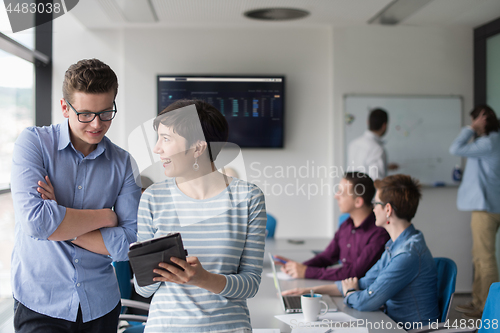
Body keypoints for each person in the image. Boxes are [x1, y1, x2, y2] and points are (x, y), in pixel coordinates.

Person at [10, 59, 141, 332]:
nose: (96, 124)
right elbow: (36, 223)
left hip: (100, 304)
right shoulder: (33, 143)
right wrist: (105, 216)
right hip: (40, 304)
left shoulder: (123, 163)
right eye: (85, 114)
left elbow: (129, 242)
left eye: (106, 113)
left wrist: (60, 218)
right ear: (64, 108)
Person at [134, 99, 267, 332]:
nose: (157, 148)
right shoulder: (153, 197)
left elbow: (251, 284)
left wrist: (203, 279)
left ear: (198, 148)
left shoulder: (248, 197)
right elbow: (141, 288)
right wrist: (152, 269)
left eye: (166, 139)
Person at [283, 175, 439, 328]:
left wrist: (350, 292)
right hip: (390, 322)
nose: (373, 208)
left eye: (375, 203)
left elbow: (366, 301)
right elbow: (364, 282)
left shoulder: (406, 254)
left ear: (388, 209)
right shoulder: (395, 244)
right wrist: (310, 291)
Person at [274, 172, 389, 280]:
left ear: (358, 202)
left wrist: (306, 271)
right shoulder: (347, 225)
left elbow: (354, 273)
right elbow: (327, 257)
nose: (336, 196)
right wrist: (297, 267)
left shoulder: (379, 233)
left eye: (341, 193)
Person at [449, 105, 500, 319]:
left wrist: (470, 128)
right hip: (489, 205)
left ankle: (489, 309)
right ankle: (480, 303)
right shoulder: (490, 142)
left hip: (485, 208)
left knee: (484, 258)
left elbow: (455, 148)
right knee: (479, 256)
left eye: (476, 120)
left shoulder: (488, 142)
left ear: (483, 119)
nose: (474, 124)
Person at [347, 108, 398, 180]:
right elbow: (377, 181)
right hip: (368, 190)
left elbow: (360, 167)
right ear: (384, 125)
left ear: (367, 122)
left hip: (353, 189)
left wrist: (385, 166)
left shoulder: (353, 144)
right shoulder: (377, 149)